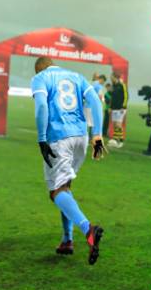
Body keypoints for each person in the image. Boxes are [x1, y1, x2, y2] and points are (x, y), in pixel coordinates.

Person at [31, 57, 106, 264]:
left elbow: (41, 108)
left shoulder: (40, 78)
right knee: (65, 187)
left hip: (58, 138)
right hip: (80, 138)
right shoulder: (77, 77)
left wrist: (41, 139)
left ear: (39, 69)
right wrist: (97, 135)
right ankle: (67, 240)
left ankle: (88, 230)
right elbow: (95, 103)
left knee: (56, 191)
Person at [107, 72, 128, 148]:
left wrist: (124, 106)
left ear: (115, 77)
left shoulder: (122, 85)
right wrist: (110, 107)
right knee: (115, 124)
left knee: (118, 124)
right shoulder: (114, 86)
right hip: (114, 108)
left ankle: (121, 141)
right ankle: (116, 140)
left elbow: (126, 96)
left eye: (111, 77)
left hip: (121, 108)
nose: (110, 78)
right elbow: (113, 98)